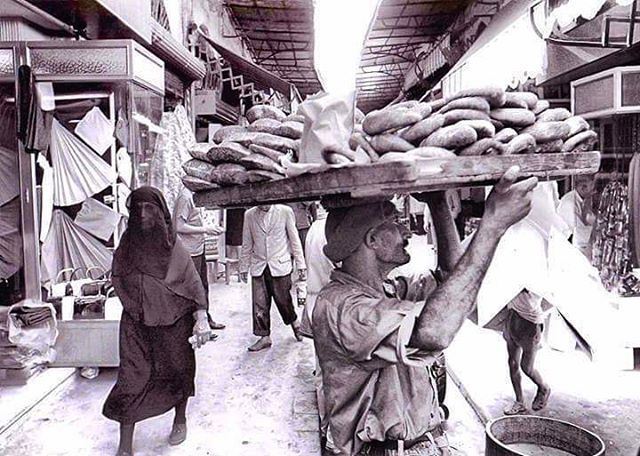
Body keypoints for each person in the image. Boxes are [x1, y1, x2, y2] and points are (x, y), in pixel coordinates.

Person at [312, 167, 537, 456]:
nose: (406, 231)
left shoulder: (388, 290)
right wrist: (491, 225)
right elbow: (434, 332)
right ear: (372, 240)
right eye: (394, 222)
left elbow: (451, 280)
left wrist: (438, 203)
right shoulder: (342, 308)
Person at [103, 187, 213, 456]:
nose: (142, 214)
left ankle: (180, 419)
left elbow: (193, 283)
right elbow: (117, 276)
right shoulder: (127, 244)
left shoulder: (173, 247)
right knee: (130, 378)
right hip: (136, 323)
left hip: (174, 322)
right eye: (137, 208)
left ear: (161, 212)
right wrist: (136, 301)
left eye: (149, 208)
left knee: (178, 371)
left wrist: (200, 318)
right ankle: (125, 445)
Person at [240, 204, 307, 352]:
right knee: (259, 304)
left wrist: (301, 265)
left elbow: (294, 239)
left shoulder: (285, 211)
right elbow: (247, 242)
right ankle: (264, 337)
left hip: (280, 265)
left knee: (284, 301)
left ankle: (294, 322)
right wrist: (243, 267)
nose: (265, 205)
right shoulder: (249, 215)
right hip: (259, 265)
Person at [173, 185, 225, 329]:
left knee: (203, 286)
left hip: (198, 248)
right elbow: (178, 226)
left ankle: (205, 319)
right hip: (188, 251)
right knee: (192, 288)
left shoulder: (196, 196)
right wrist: (206, 230)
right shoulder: (185, 197)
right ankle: (194, 324)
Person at [502, 289, 552, 415]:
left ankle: (543, 388)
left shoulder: (537, 276)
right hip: (513, 317)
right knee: (513, 363)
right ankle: (520, 402)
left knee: (527, 367)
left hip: (530, 323)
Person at [557, 174, 596, 258]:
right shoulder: (569, 203)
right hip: (567, 248)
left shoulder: (580, 200)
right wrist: (597, 230)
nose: (594, 191)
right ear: (583, 187)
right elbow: (578, 234)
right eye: (592, 187)